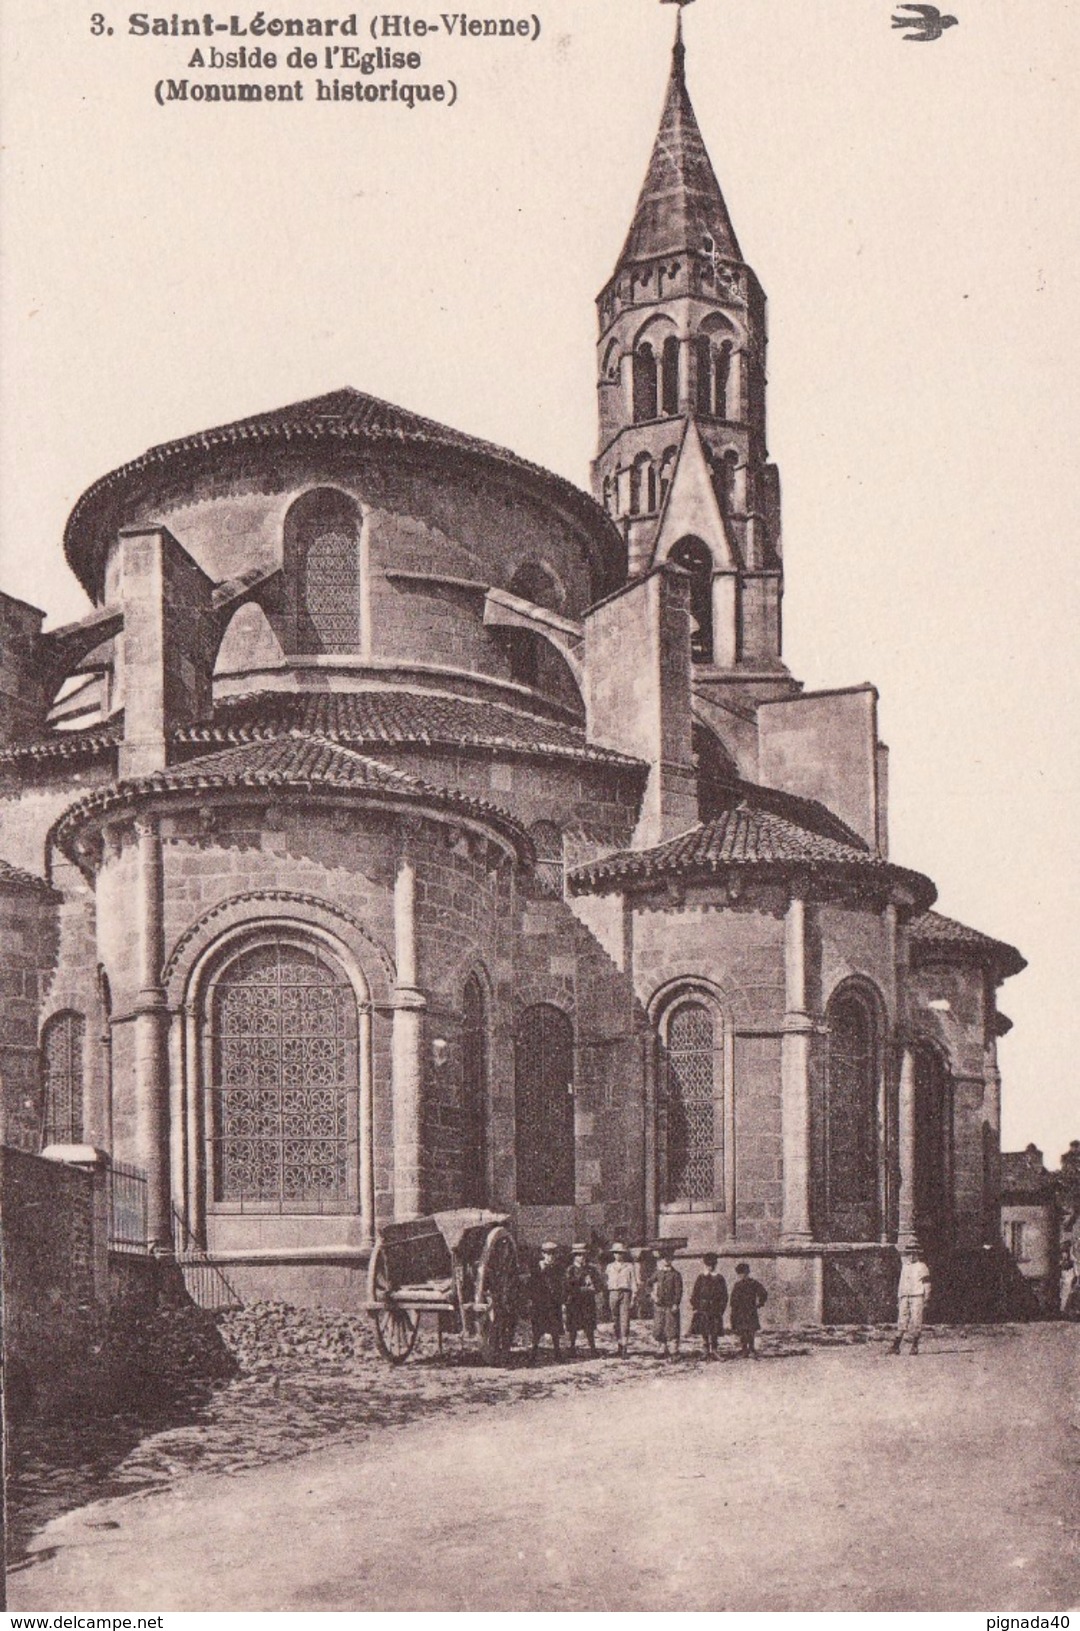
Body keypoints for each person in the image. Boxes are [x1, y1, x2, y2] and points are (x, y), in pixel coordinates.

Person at [890, 1243, 931, 1354]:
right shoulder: (905, 1267)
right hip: (905, 1296)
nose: (912, 1256)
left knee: (916, 1320)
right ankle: (896, 1346)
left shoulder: (922, 1266)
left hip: (917, 1295)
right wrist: (899, 1298)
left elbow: (926, 1283)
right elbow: (901, 1283)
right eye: (909, 1254)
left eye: (914, 1254)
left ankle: (914, 1346)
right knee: (902, 1320)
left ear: (918, 1254)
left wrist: (927, 1297)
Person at [563, 1242, 601, 1357]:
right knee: (573, 1326)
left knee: (589, 1325)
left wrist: (593, 1288)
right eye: (578, 1255)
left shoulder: (591, 1270)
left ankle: (593, 1348)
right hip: (574, 1301)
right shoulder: (570, 1270)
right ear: (574, 1256)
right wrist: (584, 1288)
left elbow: (598, 1285)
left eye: (583, 1255)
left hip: (588, 1302)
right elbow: (568, 1286)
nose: (581, 1257)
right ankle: (572, 1348)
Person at [529, 1240, 564, 1361]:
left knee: (555, 1329)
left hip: (554, 1302)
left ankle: (557, 1353)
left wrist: (561, 1299)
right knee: (538, 1330)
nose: (551, 1256)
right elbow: (531, 1285)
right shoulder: (536, 1267)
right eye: (548, 1253)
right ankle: (533, 1353)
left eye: (553, 1254)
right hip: (540, 1303)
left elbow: (561, 1284)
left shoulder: (558, 1268)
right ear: (543, 1254)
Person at [689, 1252, 728, 1359]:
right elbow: (695, 1293)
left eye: (712, 1265)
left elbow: (724, 1295)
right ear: (705, 1265)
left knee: (714, 1330)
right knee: (704, 1329)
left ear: (715, 1265)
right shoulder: (701, 1278)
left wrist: (721, 1308)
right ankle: (705, 1350)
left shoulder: (719, 1278)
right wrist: (695, 1307)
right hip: (703, 1308)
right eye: (708, 1265)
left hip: (715, 1308)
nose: (710, 1267)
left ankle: (715, 1350)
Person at [605, 1242, 638, 1357]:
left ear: (624, 1254)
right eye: (616, 1253)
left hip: (625, 1293)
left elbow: (634, 1282)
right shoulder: (609, 1266)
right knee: (615, 1320)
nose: (618, 1255)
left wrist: (634, 1297)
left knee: (625, 1320)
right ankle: (619, 1345)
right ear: (613, 1254)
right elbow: (606, 1281)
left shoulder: (629, 1266)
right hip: (613, 1293)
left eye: (620, 1253)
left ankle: (624, 1348)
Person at [729, 1261, 767, 1358]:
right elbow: (733, 1299)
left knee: (751, 1330)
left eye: (744, 1273)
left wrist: (760, 1303)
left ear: (748, 1273)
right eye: (740, 1274)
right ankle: (744, 1349)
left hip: (750, 1310)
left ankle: (752, 1349)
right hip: (740, 1312)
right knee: (742, 1331)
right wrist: (733, 1310)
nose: (743, 1276)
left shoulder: (753, 1283)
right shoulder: (737, 1285)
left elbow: (763, 1292)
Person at [652, 1245, 684, 1359]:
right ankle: (661, 1348)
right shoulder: (657, 1273)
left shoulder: (676, 1274)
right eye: (664, 1258)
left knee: (672, 1327)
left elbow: (678, 1290)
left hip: (671, 1306)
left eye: (669, 1258)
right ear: (661, 1259)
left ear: (672, 1260)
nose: (667, 1260)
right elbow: (648, 1284)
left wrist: (676, 1303)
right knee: (659, 1327)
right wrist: (653, 1295)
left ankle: (674, 1350)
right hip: (659, 1305)